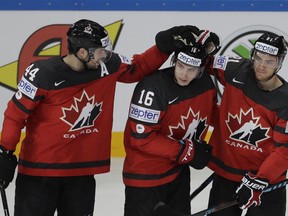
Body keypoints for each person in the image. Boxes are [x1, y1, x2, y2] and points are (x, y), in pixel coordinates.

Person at [0, 19, 196, 216]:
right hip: (39, 174)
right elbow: (15, 115)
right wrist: (5, 152)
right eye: (100, 51)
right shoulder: (42, 74)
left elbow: (139, 67)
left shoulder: (106, 66)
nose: (105, 55)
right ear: (83, 52)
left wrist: (163, 46)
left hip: (81, 175)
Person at [122, 27, 221, 216]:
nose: (184, 74)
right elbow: (141, 138)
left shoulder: (206, 84)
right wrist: (187, 151)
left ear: (201, 69)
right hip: (145, 178)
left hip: (178, 172)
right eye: (181, 66)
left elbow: (212, 114)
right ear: (174, 61)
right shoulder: (152, 88)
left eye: (191, 69)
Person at [205, 32, 288, 215]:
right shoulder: (236, 69)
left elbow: (284, 150)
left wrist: (260, 180)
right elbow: (202, 62)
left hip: (267, 184)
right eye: (258, 58)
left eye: (269, 61)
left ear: (279, 63)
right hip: (227, 176)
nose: (261, 66)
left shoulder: (285, 101)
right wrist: (204, 47)